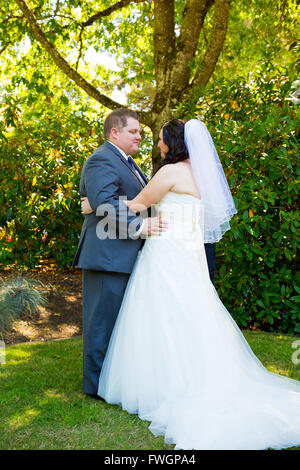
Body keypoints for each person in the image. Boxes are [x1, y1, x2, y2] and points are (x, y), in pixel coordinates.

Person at [85, 117, 300, 450]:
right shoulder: (201, 173)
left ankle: (166, 383)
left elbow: (139, 204)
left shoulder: (170, 172)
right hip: (189, 256)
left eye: (159, 139)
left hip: (166, 255)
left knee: (161, 317)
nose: (156, 144)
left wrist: (91, 205)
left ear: (172, 142)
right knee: (193, 315)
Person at [72, 108, 168, 399]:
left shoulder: (128, 163)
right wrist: (140, 225)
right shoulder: (102, 159)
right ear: (115, 132)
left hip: (122, 254)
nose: (140, 136)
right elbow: (105, 204)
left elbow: (124, 200)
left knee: (117, 323)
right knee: (101, 323)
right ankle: (97, 386)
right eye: (133, 131)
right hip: (107, 256)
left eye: (139, 132)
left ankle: (113, 381)